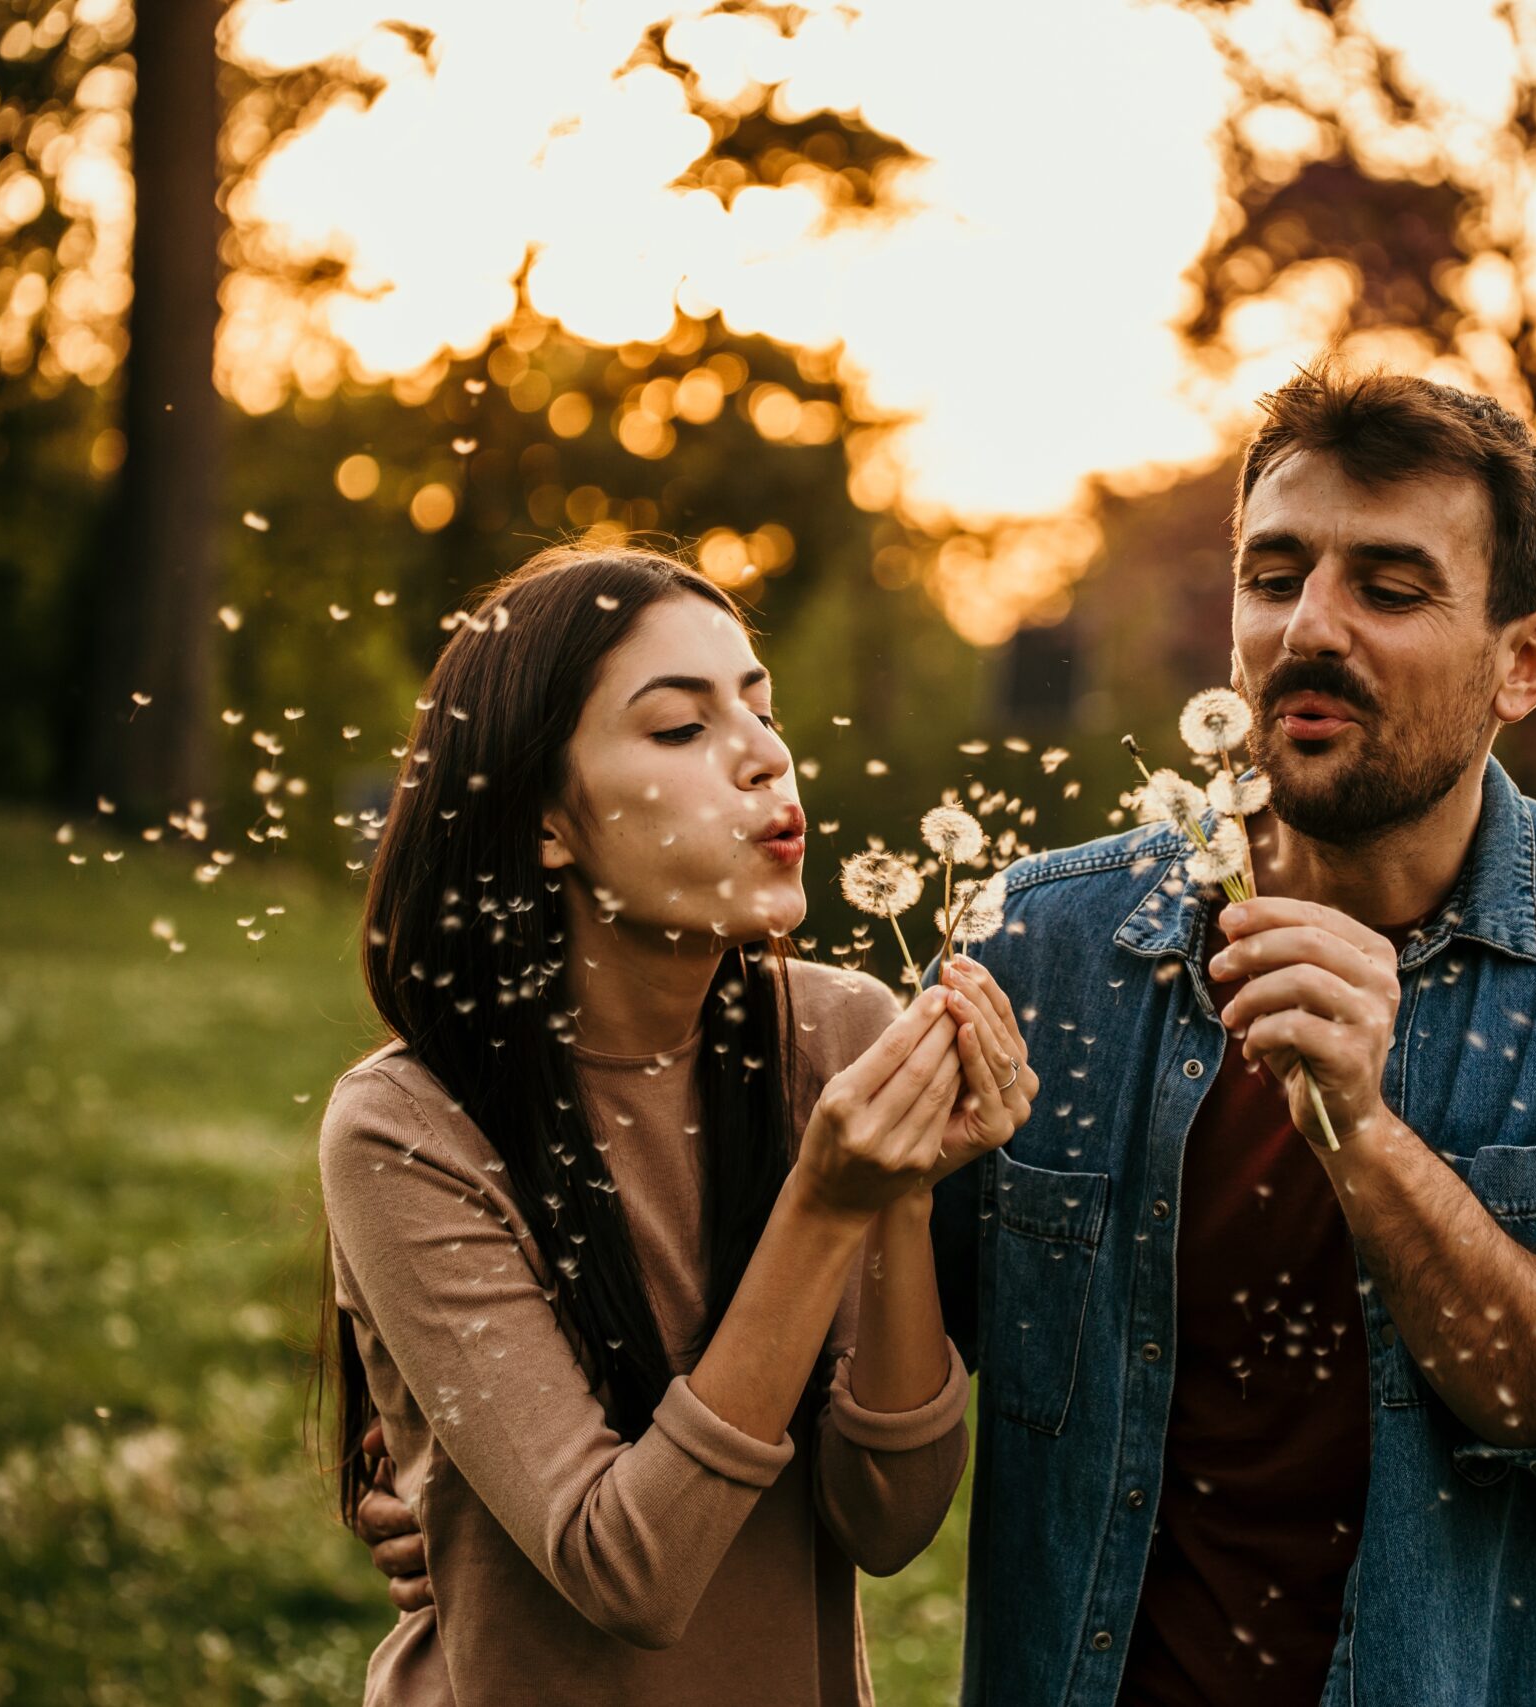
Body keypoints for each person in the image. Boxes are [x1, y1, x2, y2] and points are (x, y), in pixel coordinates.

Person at [361, 372, 1536, 1707]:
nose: (1311, 627)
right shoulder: (1045, 943)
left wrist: (1367, 1134)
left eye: (1393, 586)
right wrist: (467, 1471)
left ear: (1525, 660)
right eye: (1276, 573)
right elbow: (835, 1356)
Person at [317, 543, 1038, 1706]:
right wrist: (826, 1203)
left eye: (761, 709)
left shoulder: (840, 1033)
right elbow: (627, 1572)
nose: (764, 758)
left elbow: (889, 1518)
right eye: (679, 730)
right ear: (545, 819)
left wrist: (902, 1192)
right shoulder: (407, 1127)